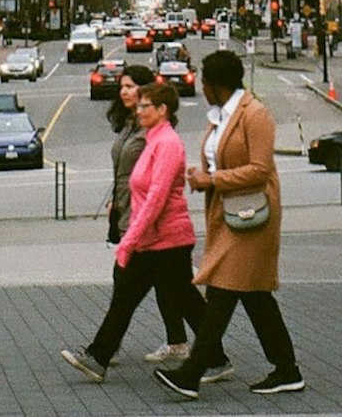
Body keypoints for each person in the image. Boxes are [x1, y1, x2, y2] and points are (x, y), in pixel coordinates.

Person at [155, 49, 304, 400]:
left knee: (222, 289)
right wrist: (203, 175)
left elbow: (260, 169)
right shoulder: (221, 115)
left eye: (205, 82)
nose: (202, 88)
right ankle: (287, 369)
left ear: (216, 84)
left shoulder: (255, 115)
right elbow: (218, 157)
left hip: (253, 216)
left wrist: (213, 180)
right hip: (230, 215)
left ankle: (192, 372)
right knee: (255, 296)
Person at [62, 83, 231, 385]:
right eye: (139, 106)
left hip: (166, 240)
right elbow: (144, 193)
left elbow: (156, 198)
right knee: (156, 298)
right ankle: (99, 357)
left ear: (162, 110)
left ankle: (99, 356)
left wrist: (129, 240)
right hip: (155, 239)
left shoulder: (166, 143)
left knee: (161, 298)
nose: (138, 111)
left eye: (145, 106)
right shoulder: (154, 140)